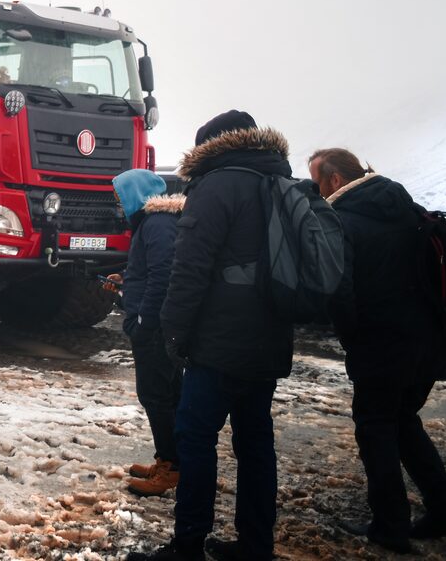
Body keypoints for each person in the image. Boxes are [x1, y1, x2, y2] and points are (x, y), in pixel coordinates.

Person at [130, 110, 295, 561]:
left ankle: (188, 545)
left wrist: (173, 332)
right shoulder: (280, 181)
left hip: (219, 343)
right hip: (271, 337)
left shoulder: (217, 184)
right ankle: (256, 544)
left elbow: (190, 268)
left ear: (211, 146)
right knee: (256, 440)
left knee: (195, 437)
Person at [310, 148, 446, 553]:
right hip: (428, 341)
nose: (314, 190)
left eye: (314, 181)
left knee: (376, 429)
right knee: (402, 422)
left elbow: (339, 292)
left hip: (382, 344)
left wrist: (353, 336)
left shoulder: (343, 220)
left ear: (332, 181)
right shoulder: (408, 209)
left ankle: (390, 525)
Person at [113, 168, 185, 497]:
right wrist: (127, 282)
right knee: (167, 394)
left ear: (136, 193)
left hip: (154, 327)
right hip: (155, 323)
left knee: (156, 396)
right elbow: (149, 272)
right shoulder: (154, 224)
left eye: (120, 195)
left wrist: (143, 320)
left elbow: (163, 275)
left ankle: (172, 467)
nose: (118, 203)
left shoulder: (156, 224)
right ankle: (169, 460)